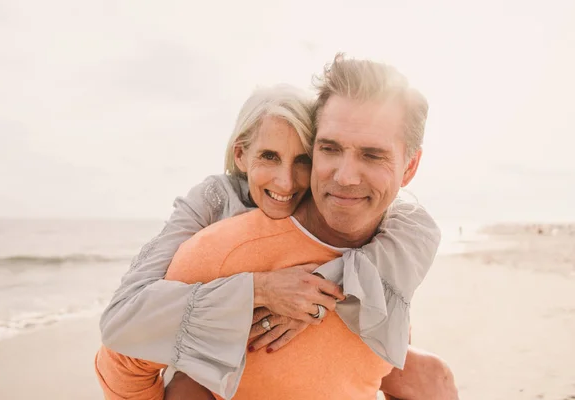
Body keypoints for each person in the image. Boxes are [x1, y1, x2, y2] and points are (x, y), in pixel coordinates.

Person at [96, 57, 455, 399]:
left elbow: (418, 232)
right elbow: (122, 331)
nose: (285, 183)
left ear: (410, 167)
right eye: (330, 149)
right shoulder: (212, 211)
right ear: (241, 155)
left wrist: (321, 292)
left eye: (302, 161)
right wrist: (260, 290)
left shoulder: (400, 232)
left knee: (430, 375)